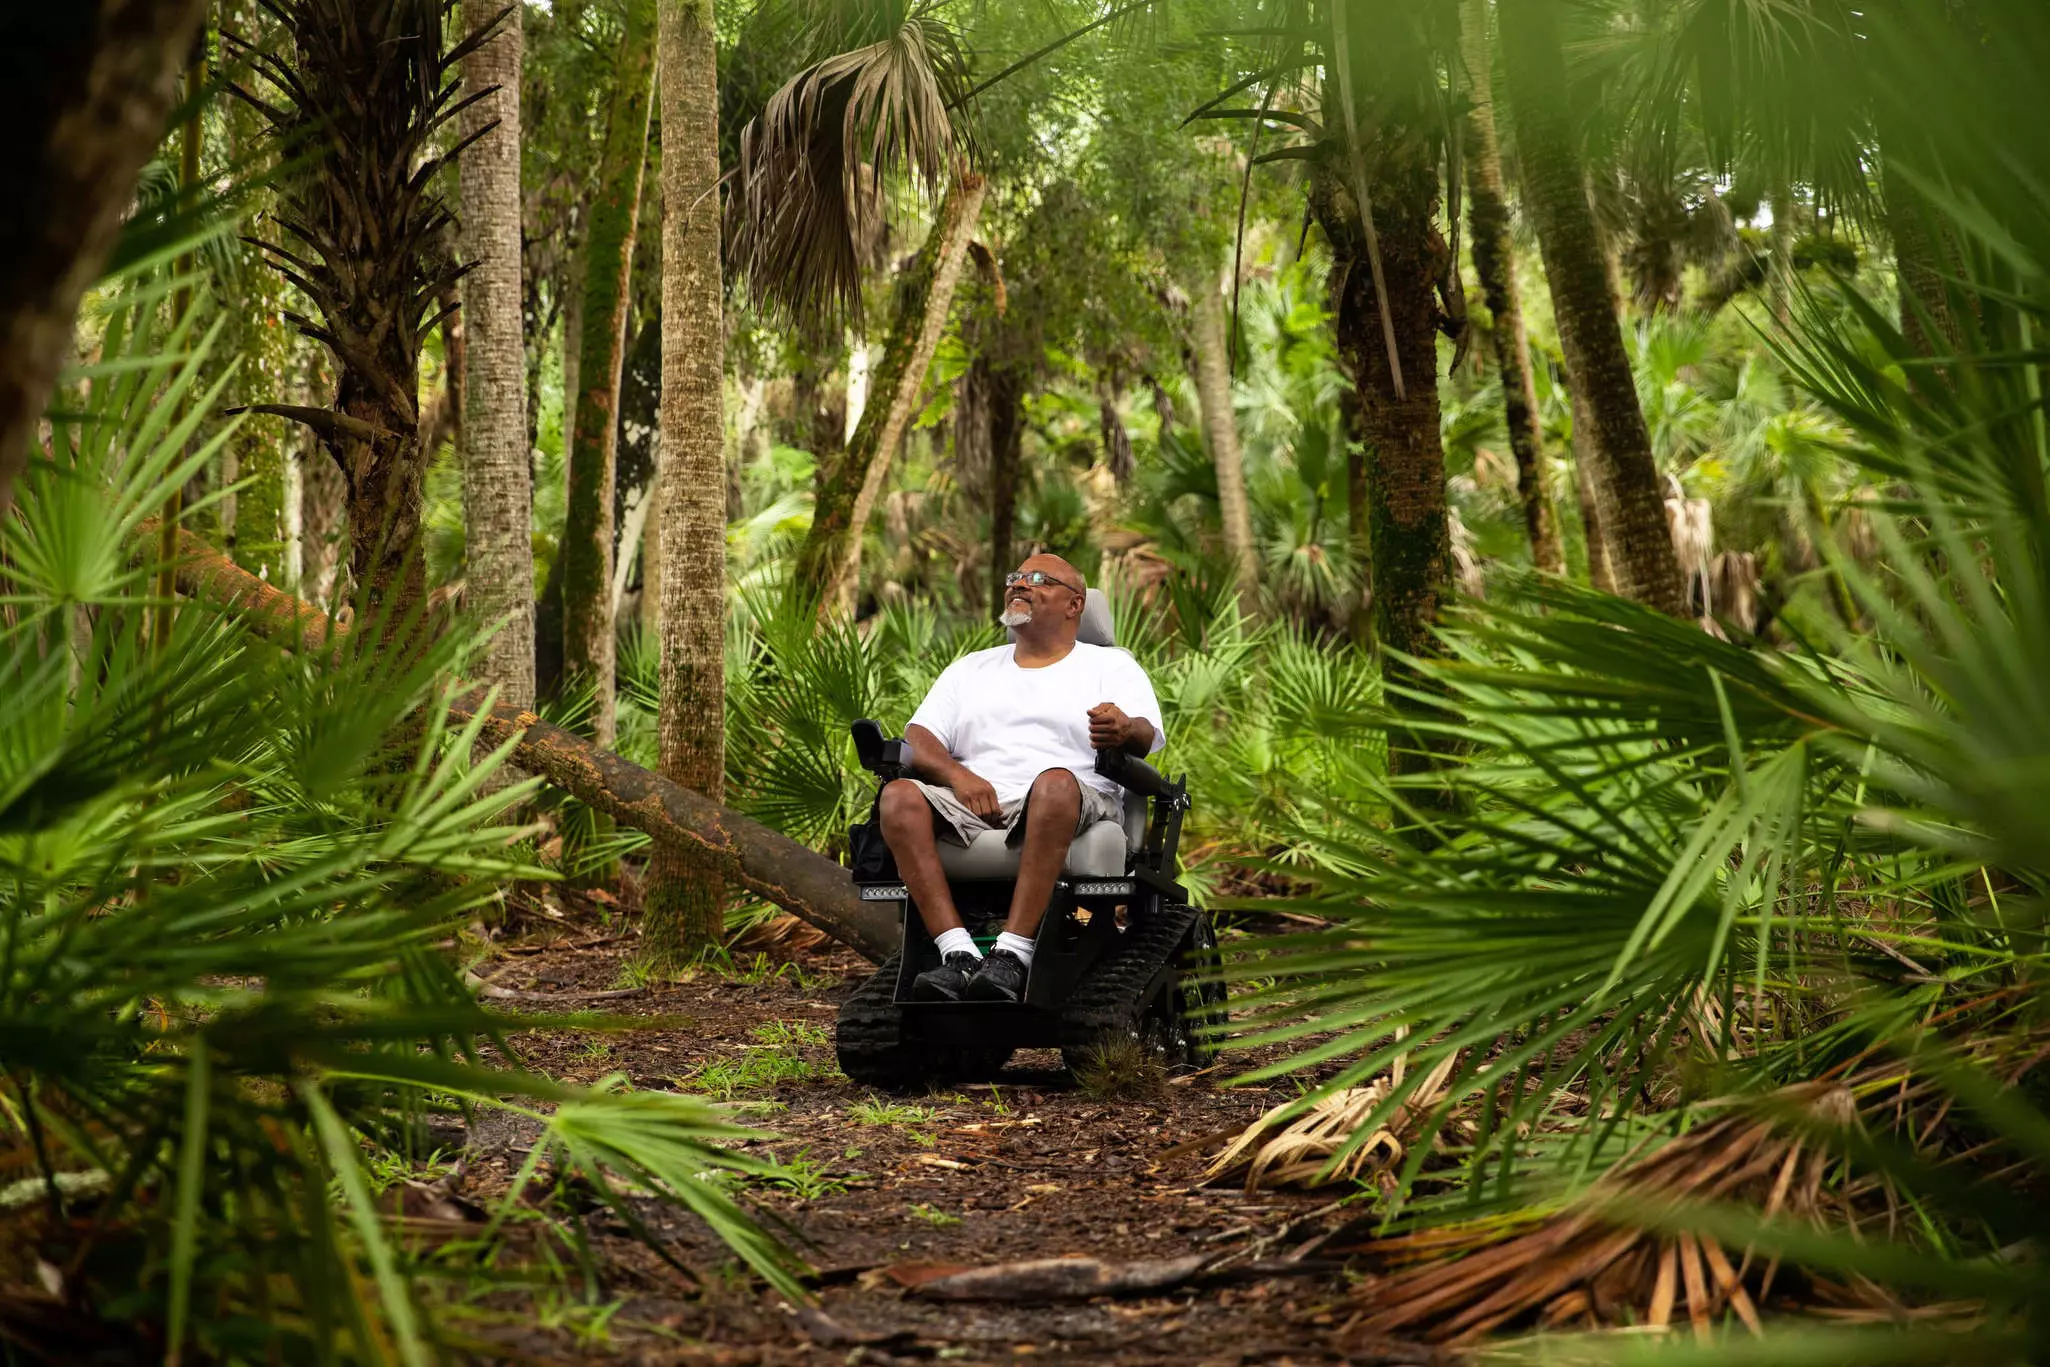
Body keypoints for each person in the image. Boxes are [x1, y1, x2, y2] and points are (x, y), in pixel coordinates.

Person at [878, 552, 1165, 1004]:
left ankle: (1012, 953)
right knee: (897, 796)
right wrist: (959, 776)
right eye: (1014, 577)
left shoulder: (1110, 667)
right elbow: (919, 739)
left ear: (1074, 605)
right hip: (976, 803)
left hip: (1073, 802)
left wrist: (1124, 728)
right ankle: (959, 955)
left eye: (1037, 579)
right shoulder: (971, 668)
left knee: (1053, 782)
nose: (1019, 584)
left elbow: (1147, 736)